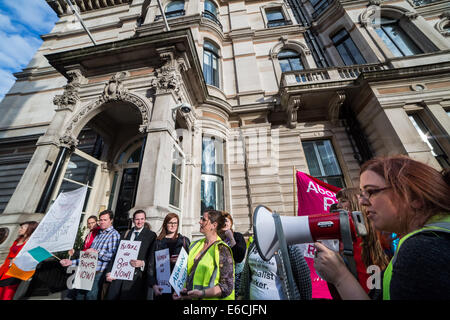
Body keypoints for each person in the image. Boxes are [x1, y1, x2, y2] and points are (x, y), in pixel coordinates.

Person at [314, 155, 450, 300]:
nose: (362, 201)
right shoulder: (431, 240)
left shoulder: (421, 250)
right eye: (361, 193)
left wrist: (340, 277)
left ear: (414, 197)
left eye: (371, 192)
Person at [336, 188, 390, 296]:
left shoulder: (380, 232)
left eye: (343, 201)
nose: (338, 206)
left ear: (356, 202)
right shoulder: (348, 238)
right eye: (338, 202)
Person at [173, 210, 234, 300]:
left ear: (214, 225)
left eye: (203, 219)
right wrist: (182, 292)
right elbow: (189, 274)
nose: (200, 221)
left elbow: (226, 287)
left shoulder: (222, 248)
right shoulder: (194, 245)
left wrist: (202, 293)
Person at [60, 210, 120, 300]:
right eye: (101, 220)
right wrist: (71, 262)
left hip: (99, 272)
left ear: (111, 220)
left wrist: (97, 252)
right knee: (79, 295)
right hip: (86, 269)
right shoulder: (99, 234)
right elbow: (88, 256)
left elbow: (113, 257)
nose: (102, 222)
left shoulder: (114, 235)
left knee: (90, 296)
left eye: (105, 220)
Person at [105, 210, 157, 300]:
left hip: (135, 279)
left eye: (142, 219)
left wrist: (142, 263)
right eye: (137, 219)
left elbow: (152, 257)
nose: (139, 222)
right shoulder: (125, 234)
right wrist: (109, 271)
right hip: (119, 276)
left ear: (145, 220)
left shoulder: (151, 235)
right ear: (133, 220)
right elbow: (116, 255)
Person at [238, 237, 312, 300]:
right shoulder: (254, 243)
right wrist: (241, 294)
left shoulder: (288, 244)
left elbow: (304, 278)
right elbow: (246, 272)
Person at [152, 212, 190, 300]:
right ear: (165, 224)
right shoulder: (158, 242)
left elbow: (190, 263)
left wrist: (180, 260)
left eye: (175, 223)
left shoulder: (184, 240)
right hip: (162, 284)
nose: (173, 225)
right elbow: (151, 264)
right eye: (170, 223)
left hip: (179, 284)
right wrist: (153, 285)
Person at [0, 221, 38, 300]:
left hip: (15, 272)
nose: (19, 229)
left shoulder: (31, 244)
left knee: (7, 296)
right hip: (4, 270)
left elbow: (32, 258)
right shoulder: (17, 240)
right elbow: (9, 255)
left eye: (22, 228)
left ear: (29, 229)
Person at [220, 212, 246, 293]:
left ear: (231, 223)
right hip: (222, 278)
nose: (224, 223)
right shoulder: (218, 238)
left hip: (237, 276)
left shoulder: (238, 236)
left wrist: (231, 237)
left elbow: (239, 257)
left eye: (226, 221)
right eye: (222, 221)